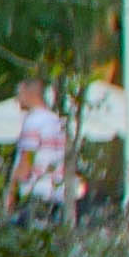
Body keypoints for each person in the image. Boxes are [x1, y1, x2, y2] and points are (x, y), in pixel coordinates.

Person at [10, 79, 78, 222]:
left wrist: (11, 194)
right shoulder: (57, 122)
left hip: (36, 193)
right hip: (57, 194)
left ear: (29, 93)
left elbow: (26, 162)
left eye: (19, 94)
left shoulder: (33, 121)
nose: (17, 99)